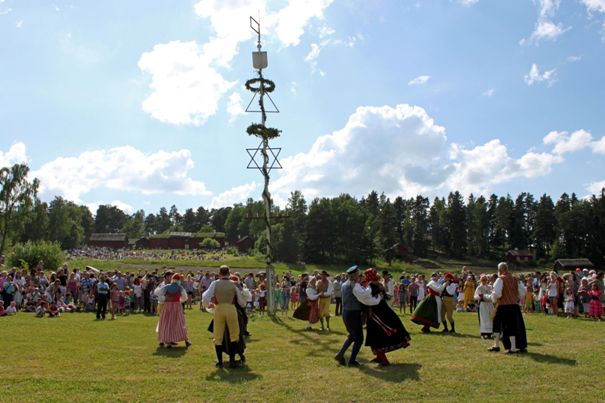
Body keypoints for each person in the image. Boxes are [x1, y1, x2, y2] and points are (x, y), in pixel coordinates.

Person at [363, 268, 411, 366]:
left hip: (376, 314)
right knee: (376, 334)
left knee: (377, 335)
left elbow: (371, 299)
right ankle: (379, 357)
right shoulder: (378, 284)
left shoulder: (372, 285)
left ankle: (383, 359)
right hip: (382, 311)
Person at [334, 266, 380, 367]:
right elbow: (364, 295)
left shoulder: (345, 284)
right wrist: (371, 288)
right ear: (354, 275)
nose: (360, 276)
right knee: (359, 338)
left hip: (346, 313)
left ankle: (340, 354)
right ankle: (352, 361)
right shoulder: (353, 285)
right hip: (353, 313)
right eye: (358, 275)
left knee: (351, 336)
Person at [202, 265, 246, 368]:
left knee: (218, 335)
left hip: (219, 308)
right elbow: (241, 301)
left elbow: (206, 296)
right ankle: (231, 361)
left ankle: (220, 362)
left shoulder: (215, 283)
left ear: (219, 273)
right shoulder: (233, 284)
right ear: (229, 273)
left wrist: (206, 305)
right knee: (234, 334)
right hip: (231, 308)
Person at [489, 262, 528, 354]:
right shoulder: (515, 279)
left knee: (496, 324)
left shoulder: (500, 279)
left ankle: (496, 345)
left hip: (503, 305)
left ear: (500, 270)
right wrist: (515, 298)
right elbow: (522, 292)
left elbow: (497, 293)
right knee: (513, 326)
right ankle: (513, 347)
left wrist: (494, 300)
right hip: (514, 306)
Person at [474, 274, 494, 339]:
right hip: (483, 304)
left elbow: (493, 294)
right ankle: (483, 333)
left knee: (490, 318)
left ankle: (490, 333)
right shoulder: (479, 287)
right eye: (482, 280)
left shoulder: (490, 287)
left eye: (485, 280)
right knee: (483, 318)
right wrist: (479, 297)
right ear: (480, 280)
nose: (484, 281)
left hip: (490, 304)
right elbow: (475, 296)